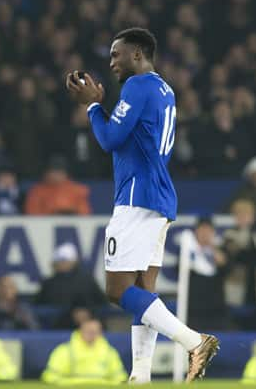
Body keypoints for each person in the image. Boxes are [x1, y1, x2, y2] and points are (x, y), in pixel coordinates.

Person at [65, 27, 218, 383]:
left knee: (117, 291)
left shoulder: (138, 86)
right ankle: (141, 376)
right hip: (159, 195)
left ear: (137, 53)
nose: (112, 62)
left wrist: (91, 106)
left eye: (116, 54)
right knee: (143, 293)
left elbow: (110, 139)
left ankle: (194, 342)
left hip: (136, 197)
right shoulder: (164, 89)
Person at [35, 243, 107, 328]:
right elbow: (37, 305)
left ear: (74, 261)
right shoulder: (49, 283)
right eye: (59, 261)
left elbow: (102, 302)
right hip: (59, 327)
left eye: (65, 261)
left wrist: (88, 311)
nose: (62, 264)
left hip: (90, 325)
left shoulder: (87, 281)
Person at [41, 319, 127, 385]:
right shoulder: (64, 351)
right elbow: (50, 377)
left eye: (95, 332)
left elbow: (120, 377)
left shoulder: (110, 352)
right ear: (80, 331)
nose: (91, 334)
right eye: (88, 331)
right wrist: (73, 384)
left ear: (100, 333)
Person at [221, 199, 256, 307]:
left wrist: (254, 232)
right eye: (239, 215)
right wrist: (246, 233)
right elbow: (235, 250)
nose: (243, 218)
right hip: (238, 279)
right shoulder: (230, 233)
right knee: (236, 307)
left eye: (246, 215)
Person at [187, 217, 233, 331]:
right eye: (202, 230)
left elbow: (227, 268)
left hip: (216, 306)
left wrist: (212, 248)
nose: (204, 234)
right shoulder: (188, 251)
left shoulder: (221, 249)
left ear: (213, 233)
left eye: (208, 231)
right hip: (194, 307)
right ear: (196, 232)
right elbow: (178, 270)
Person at [24, 156, 92, 215]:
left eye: (60, 172)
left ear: (66, 173)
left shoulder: (77, 190)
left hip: (73, 226)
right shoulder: (37, 191)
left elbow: (85, 213)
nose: (57, 175)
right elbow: (32, 214)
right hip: (46, 227)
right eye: (54, 171)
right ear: (46, 173)